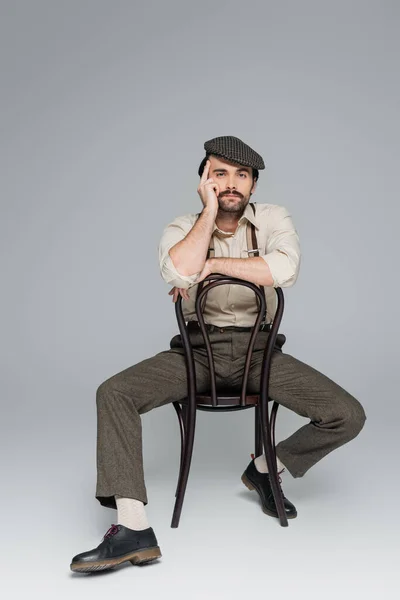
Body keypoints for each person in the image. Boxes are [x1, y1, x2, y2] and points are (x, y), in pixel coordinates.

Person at [70, 135, 366, 573]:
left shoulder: (272, 218)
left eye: (241, 175)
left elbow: (285, 268)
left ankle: (267, 468)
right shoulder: (182, 226)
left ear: (252, 185)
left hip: (260, 354)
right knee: (113, 392)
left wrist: (209, 266)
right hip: (196, 355)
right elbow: (175, 270)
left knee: (347, 413)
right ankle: (133, 528)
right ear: (204, 181)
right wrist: (208, 216)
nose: (231, 183)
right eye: (220, 174)